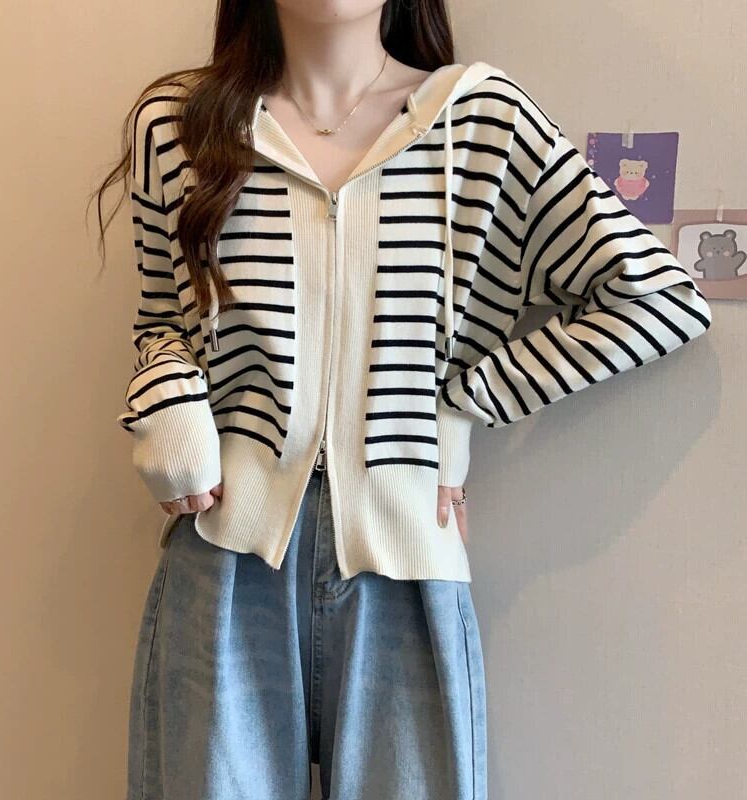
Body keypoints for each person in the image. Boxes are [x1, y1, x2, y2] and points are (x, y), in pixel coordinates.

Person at [91, 1, 713, 798]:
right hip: (223, 557)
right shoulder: (180, 125)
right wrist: (170, 405)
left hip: (408, 564)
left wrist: (462, 404)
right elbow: (161, 324)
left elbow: (657, 299)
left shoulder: (482, 124)